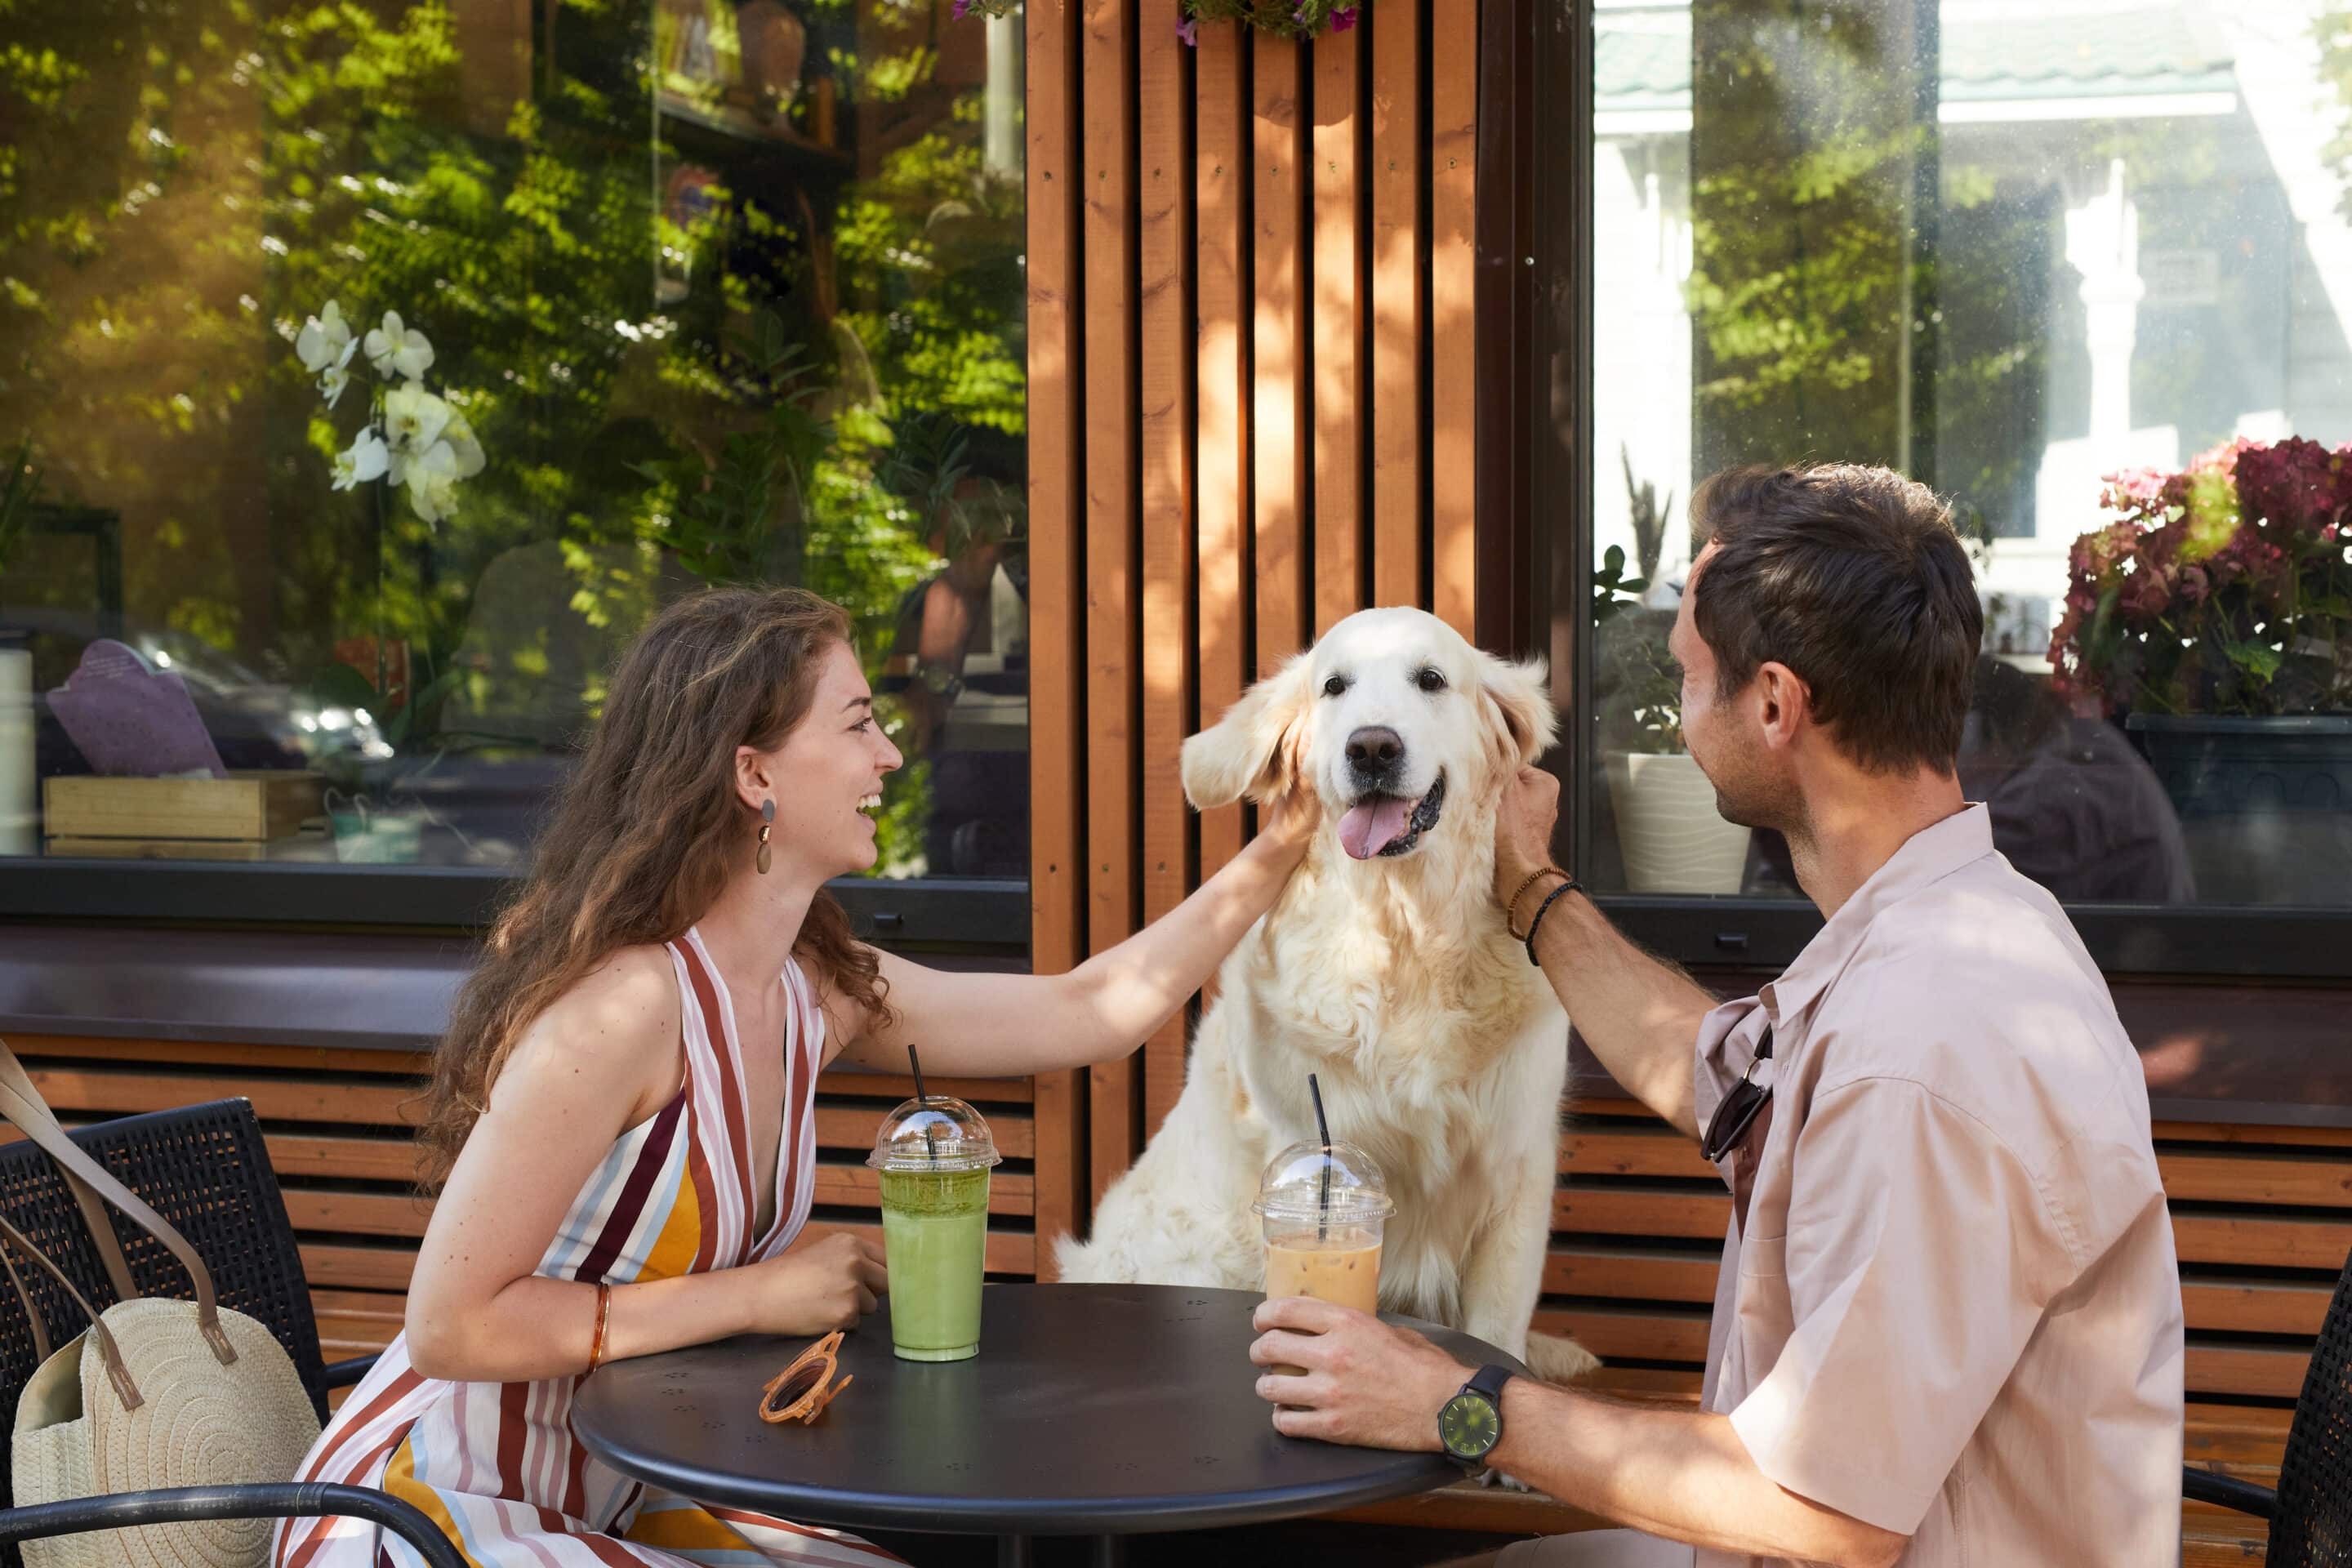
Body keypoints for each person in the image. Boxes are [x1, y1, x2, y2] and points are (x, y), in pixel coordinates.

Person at [1248, 464, 2184, 1567]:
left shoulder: (1926, 1050)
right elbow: (1714, 1073)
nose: (1676, 714)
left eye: (1688, 678)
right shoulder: (1950, 921)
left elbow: (1826, 1511)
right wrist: (1530, 889)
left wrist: (1460, 1402)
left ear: (1776, 705)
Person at [275, 586, 1316, 1568]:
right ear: (754, 774)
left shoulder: (814, 987)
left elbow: (1092, 1011)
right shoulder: (625, 1011)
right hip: (430, 1513)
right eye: (858, 724)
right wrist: (754, 1294)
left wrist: (1281, 849)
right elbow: (451, 1326)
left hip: (620, 1496)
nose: (894, 753)